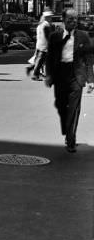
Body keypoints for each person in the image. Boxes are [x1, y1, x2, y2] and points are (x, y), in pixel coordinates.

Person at [45, 8, 94, 153]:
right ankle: (67, 129)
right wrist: (48, 75)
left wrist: (91, 80)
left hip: (76, 76)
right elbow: (49, 57)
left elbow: (89, 58)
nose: (73, 22)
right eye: (70, 19)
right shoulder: (55, 36)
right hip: (60, 75)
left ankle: (71, 139)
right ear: (63, 20)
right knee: (60, 105)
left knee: (74, 108)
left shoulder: (83, 36)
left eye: (75, 19)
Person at [27, 10, 53, 80]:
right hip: (44, 45)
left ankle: (35, 72)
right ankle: (35, 74)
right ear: (47, 17)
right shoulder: (46, 25)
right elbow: (48, 36)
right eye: (50, 17)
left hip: (40, 44)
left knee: (40, 60)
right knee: (40, 61)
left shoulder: (40, 25)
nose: (51, 18)